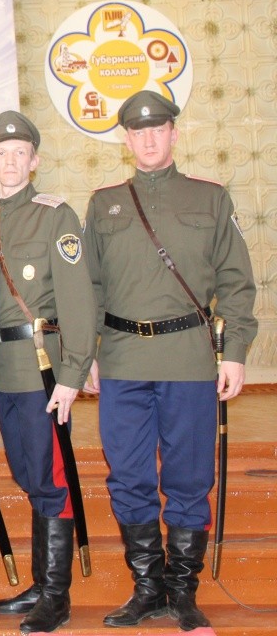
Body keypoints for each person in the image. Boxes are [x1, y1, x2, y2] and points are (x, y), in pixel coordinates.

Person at [84, 92, 257, 632]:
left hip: (188, 359)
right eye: (138, 132)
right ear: (126, 140)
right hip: (122, 360)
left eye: (158, 129)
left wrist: (234, 353)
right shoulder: (104, 204)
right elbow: (89, 287)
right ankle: (147, 589)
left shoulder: (210, 198)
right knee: (128, 477)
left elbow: (236, 282)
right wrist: (85, 353)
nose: (149, 139)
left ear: (174, 134)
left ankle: (182, 592)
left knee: (188, 477)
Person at [0, 111, 96, 633]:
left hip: (44, 368)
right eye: (1, 153)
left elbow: (77, 297)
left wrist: (73, 373)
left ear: (35, 160)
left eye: (20, 152)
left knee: (51, 478)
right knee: (29, 476)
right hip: (5, 370)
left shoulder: (56, 215)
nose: (10, 161)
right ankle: (40, 583)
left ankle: (56, 595)